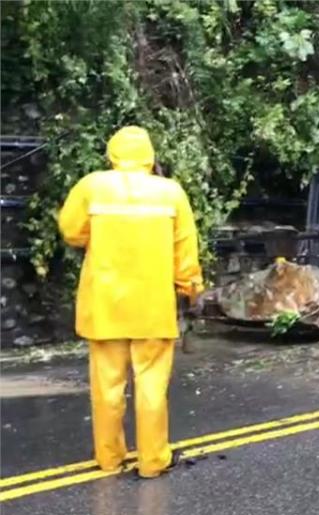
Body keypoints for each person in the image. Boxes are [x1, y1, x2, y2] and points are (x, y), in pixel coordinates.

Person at [58, 126, 203, 479]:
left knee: (106, 387)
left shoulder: (92, 186)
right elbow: (184, 249)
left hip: (104, 305)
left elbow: (71, 231)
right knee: (152, 386)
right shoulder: (170, 193)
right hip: (152, 306)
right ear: (150, 157)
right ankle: (153, 461)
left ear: (112, 154)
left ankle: (110, 458)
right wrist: (190, 288)